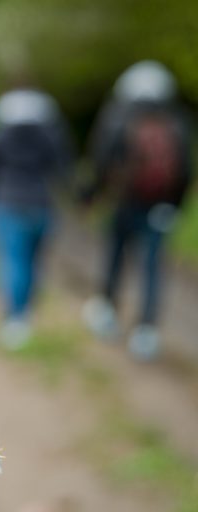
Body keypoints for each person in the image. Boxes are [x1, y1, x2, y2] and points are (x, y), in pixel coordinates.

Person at [82, 60, 193, 360]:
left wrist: (91, 196)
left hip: (124, 202)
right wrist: (174, 206)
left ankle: (106, 313)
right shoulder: (176, 120)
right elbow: (186, 168)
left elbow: (101, 159)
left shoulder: (118, 115)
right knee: (153, 266)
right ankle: (146, 332)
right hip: (160, 207)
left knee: (117, 256)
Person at [0, 87, 73, 348]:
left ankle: (14, 317)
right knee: (34, 262)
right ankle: (26, 313)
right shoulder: (50, 136)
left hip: (7, 204)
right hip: (42, 207)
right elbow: (63, 170)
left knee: (12, 262)